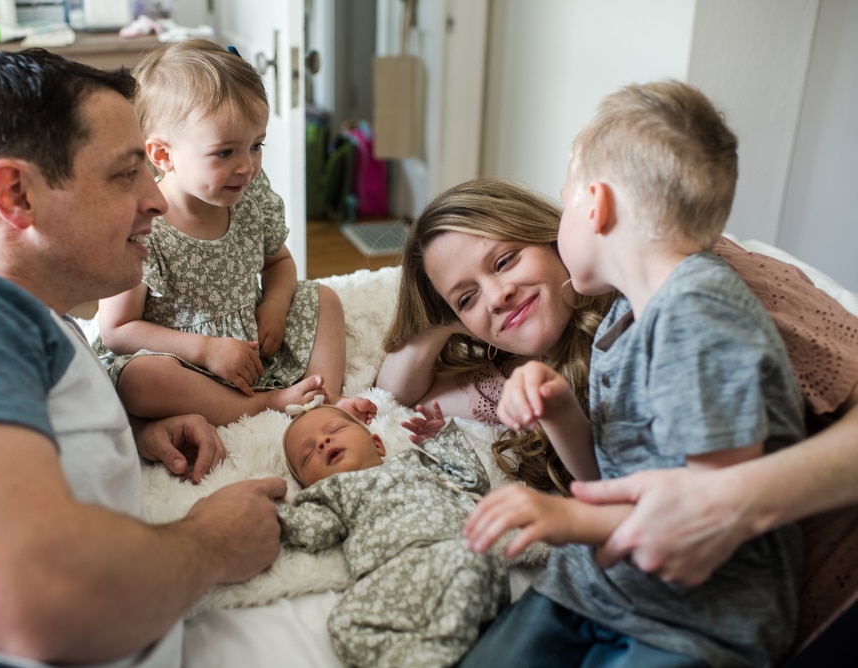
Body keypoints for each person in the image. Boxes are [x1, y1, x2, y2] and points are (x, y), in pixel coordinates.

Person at [0, 48, 286, 667]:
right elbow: (40, 599)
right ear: (16, 194)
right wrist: (214, 542)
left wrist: (134, 433)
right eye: (125, 174)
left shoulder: (46, 329)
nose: (158, 200)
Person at [376, 130, 858, 656]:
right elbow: (393, 392)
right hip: (599, 594)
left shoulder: (691, 283)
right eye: (466, 298)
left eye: (506, 260)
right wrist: (445, 316)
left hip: (765, 602)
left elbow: (686, 490)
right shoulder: (544, 359)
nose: (497, 295)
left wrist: (578, 519)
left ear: (557, 231)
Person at [456, 80, 806, 667]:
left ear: (595, 204)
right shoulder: (624, 317)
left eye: (564, 204)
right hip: (586, 593)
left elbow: (708, 511)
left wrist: (566, 518)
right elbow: (605, 475)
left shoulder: (701, 314)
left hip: (691, 624)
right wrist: (562, 407)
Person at [93, 38, 373, 427]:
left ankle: (323, 396)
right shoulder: (141, 223)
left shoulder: (251, 195)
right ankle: (262, 406)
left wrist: (274, 307)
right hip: (184, 360)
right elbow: (117, 331)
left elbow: (279, 262)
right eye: (225, 153)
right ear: (162, 155)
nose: (247, 167)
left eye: (256, 146)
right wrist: (206, 350)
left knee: (324, 299)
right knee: (141, 381)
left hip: (252, 346)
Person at [279, 400, 509, 668]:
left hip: (447, 551)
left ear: (377, 443)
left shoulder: (414, 461)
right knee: (345, 622)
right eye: (307, 455)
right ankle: (413, 659)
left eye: (335, 429)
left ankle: (438, 654)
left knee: (473, 563)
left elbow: (472, 481)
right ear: (309, 486)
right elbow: (310, 530)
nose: (323, 443)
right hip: (387, 579)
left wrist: (441, 441)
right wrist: (272, 513)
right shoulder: (331, 494)